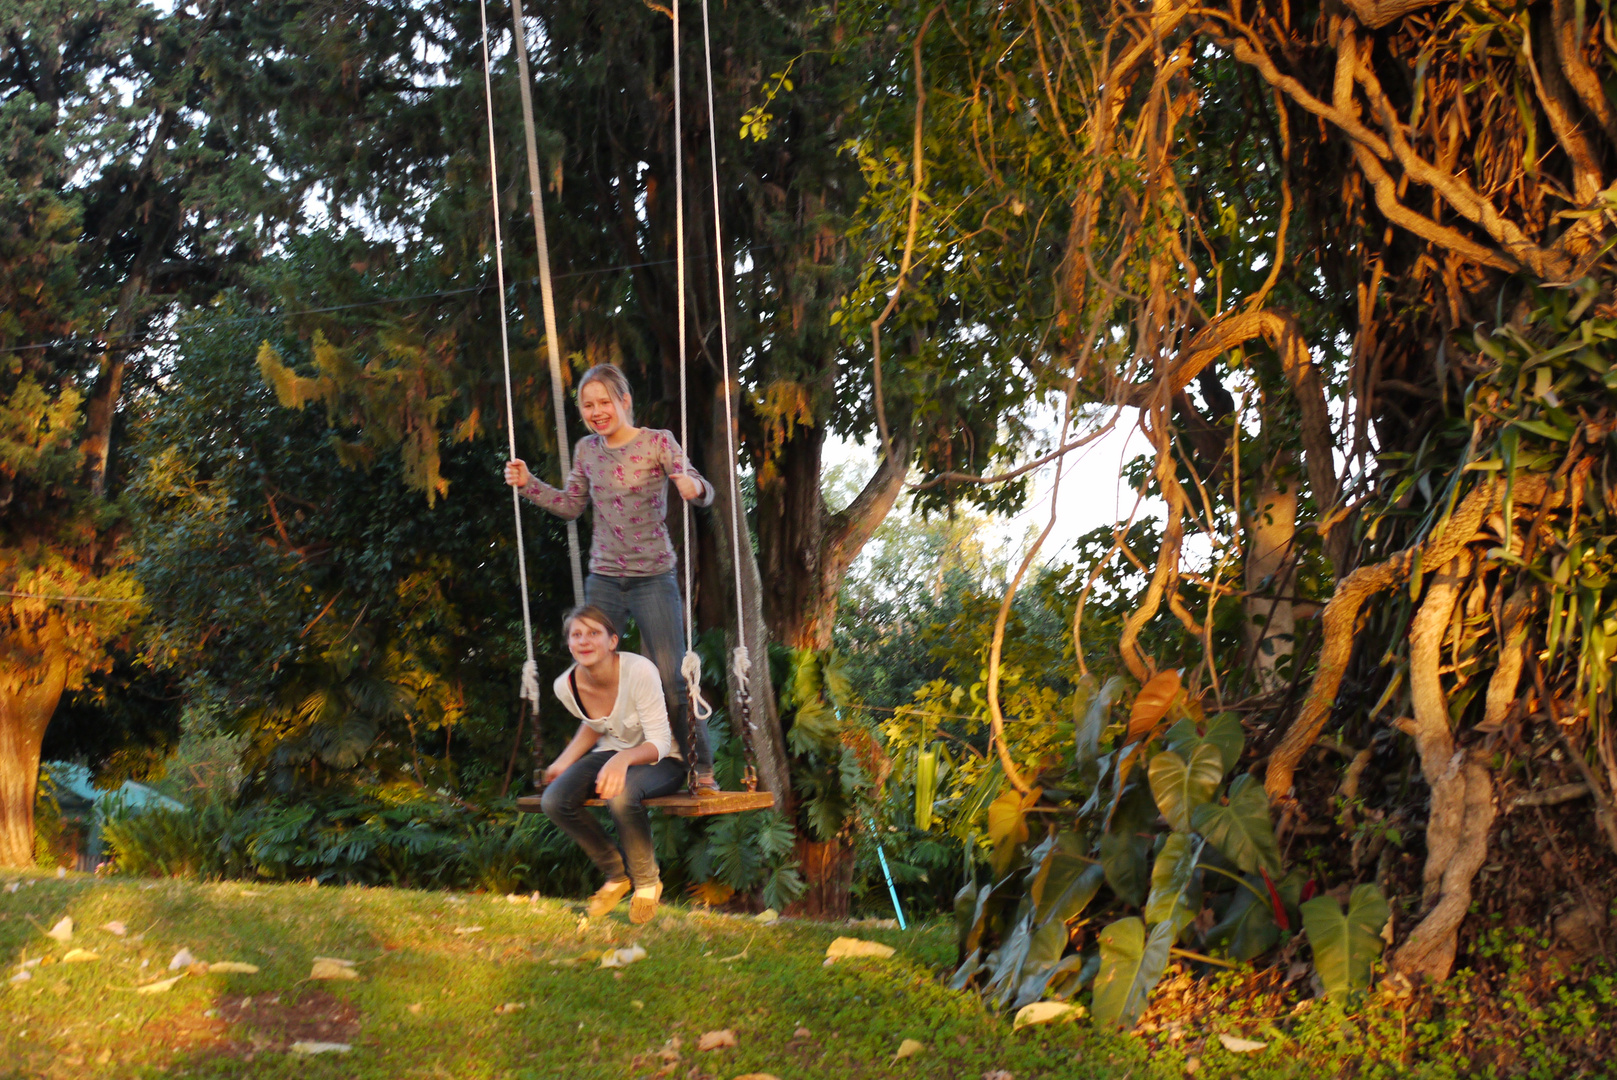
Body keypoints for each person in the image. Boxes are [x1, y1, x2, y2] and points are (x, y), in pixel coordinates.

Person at [505, 363, 718, 791]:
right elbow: (571, 506)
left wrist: (695, 490)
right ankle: (596, 758)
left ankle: (701, 768)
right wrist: (529, 484)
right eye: (588, 405)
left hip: (653, 576)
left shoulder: (658, 442)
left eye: (604, 402)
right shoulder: (586, 450)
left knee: (669, 675)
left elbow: (698, 483)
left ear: (625, 401)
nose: (597, 411)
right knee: (593, 668)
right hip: (604, 576)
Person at [540, 604, 686, 923]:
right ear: (569, 644)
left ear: (612, 641)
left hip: (662, 758)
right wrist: (564, 762)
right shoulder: (565, 686)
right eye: (577, 635)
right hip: (612, 753)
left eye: (594, 633)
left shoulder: (639, 671)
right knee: (554, 801)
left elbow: (660, 741)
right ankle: (617, 875)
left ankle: (647, 883)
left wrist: (623, 759)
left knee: (621, 795)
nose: (584, 640)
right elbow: (595, 724)